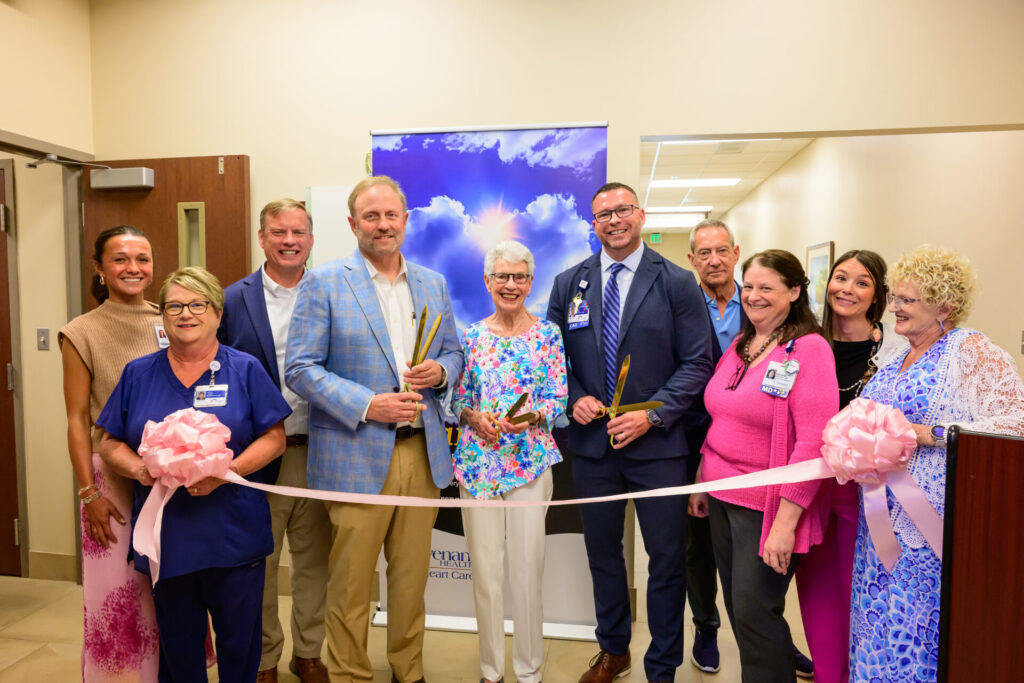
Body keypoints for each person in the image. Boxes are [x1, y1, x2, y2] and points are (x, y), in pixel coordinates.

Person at [285, 176, 462, 683]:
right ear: (352, 224)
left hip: (421, 456)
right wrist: (368, 405)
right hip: (354, 453)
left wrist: (442, 371)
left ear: (406, 220)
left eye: (391, 215)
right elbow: (300, 368)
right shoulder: (324, 281)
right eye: (371, 216)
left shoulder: (432, 283)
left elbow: (453, 351)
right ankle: (350, 675)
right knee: (351, 585)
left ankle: (409, 671)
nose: (382, 225)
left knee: (410, 583)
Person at [547, 182, 714, 683]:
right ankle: (613, 649)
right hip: (594, 450)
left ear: (640, 215)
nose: (613, 220)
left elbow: (698, 361)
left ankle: (661, 663)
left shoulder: (677, 282)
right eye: (603, 214)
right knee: (602, 553)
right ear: (592, 223)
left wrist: (653, 414)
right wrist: (574, 396)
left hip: (658, 446)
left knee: (666, 559)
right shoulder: (568, 283)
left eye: (622, 210)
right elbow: (552, 357)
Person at [96, 266, 290, 683]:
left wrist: (227, 470)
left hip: (233, 535)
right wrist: (141, 469)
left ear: (218, 313)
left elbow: (275, 437)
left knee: (240, 648)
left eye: (198, 304)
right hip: (169, 538)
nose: (186, 314)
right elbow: (108, 441)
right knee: (179, 650)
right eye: (175, 306)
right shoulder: (138, 373)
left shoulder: (245, 369)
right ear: (162, 317)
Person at [850, 245, 1024, 682]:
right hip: (877, 522)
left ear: (945, 306)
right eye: (895, 297)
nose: (895, 307)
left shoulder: (969, 351)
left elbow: (1016, 423)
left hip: (931, 528)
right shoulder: (892, 359)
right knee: (876, 622)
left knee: (918, 631)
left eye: (907, 300)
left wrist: (929, 433)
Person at [689, 249, 838, 683]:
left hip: (766, 506)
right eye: (748, 286)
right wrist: (700, 481)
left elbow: (814, 441)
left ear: (794, 291)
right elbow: (720, 417)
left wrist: (786, 521)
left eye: (766, 288)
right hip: (719, 496)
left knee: (756, 612)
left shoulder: (810, 350)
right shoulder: (742, 344)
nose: (753, 296)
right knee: (739, 608)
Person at [218, 198, 331, 683]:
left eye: (299, 232)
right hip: (259, 455)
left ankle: (308, 652)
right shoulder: (230, 298)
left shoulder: (334, 290)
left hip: (322, 448)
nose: (289, 241)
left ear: (311, 238)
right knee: (258, 564)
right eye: (278, 232)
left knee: (314, 562)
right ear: (261, 238)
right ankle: (264, 657)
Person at [453, 240, 567, 683]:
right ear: (487, 281)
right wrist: (472, 416)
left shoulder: (549, 335)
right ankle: (490, 670)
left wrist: (532, 417)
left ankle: (529, 670)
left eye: (519, 277)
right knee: (485, 574)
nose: (511, 284)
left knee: (526, 570)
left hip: (530, 463)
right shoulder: (472, 336)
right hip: (479, 465)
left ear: (530, 282)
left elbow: (558, 396)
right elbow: (460, 400)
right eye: (502, 276)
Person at [59, 225, 162, 681]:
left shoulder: (171, 318)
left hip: (167, 476)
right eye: (120, 259)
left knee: (164, 588)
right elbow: (78, 420)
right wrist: (87, 495)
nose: (133, 268)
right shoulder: (81, 332)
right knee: (117, 592)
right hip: (111, 484)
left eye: (142, 258)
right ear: (99, 269)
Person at [796, 249, 903, 683]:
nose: (847, 289)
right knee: (817, 592)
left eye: (862, 283)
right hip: (811, 487)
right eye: (841, 278)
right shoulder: (806, 343)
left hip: (868, 493)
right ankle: (827, 674)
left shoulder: (895, 351)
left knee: (857, 591)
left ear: (878, 295)